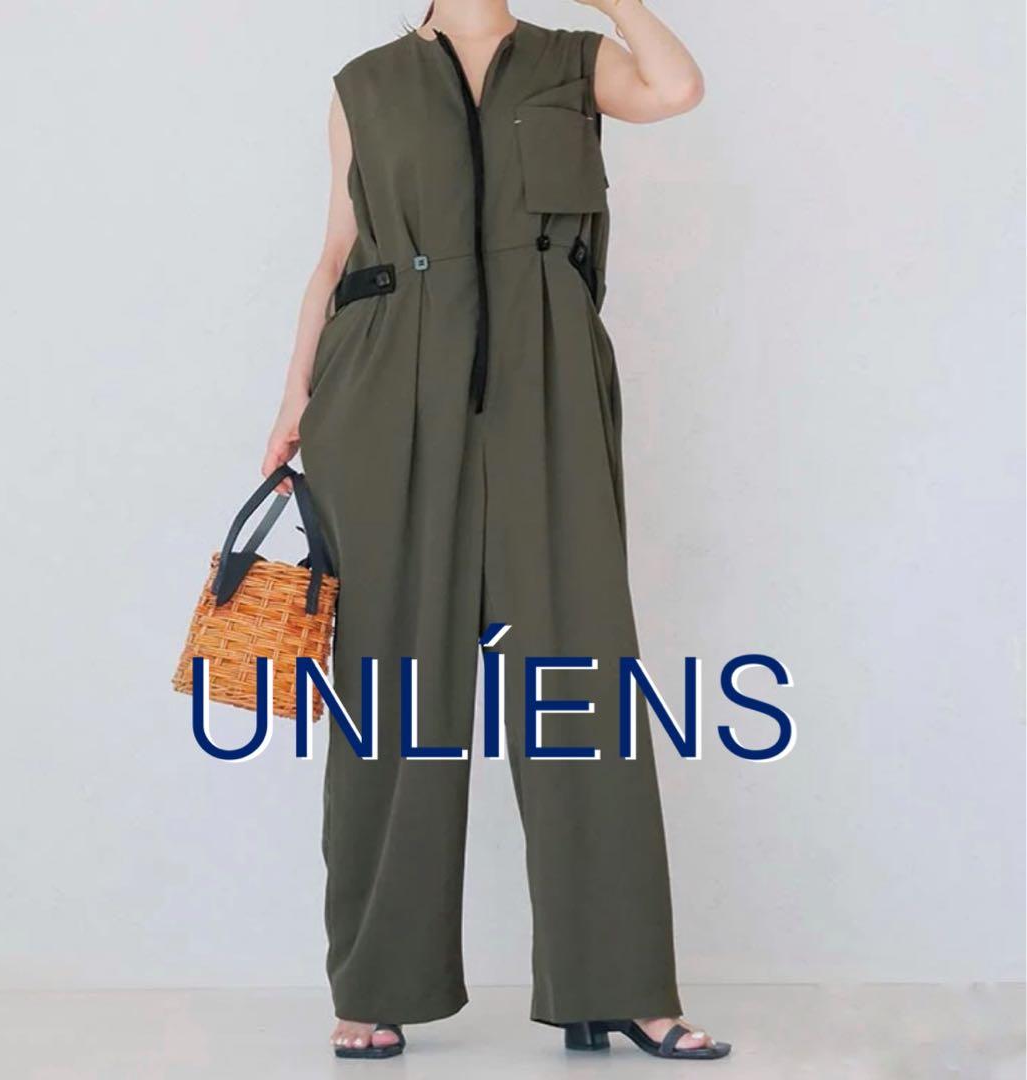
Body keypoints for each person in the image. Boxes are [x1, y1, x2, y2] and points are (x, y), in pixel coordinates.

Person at [263, 0, 730, 1063]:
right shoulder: (365, 83)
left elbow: (676, 88)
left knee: (581, 674)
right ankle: (374, 983)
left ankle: (619, 986)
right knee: (390, 679)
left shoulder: (574, 63)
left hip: (547, 379)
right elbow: (336, 250)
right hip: (384, 386)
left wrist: (613, 2)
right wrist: (294, 394)